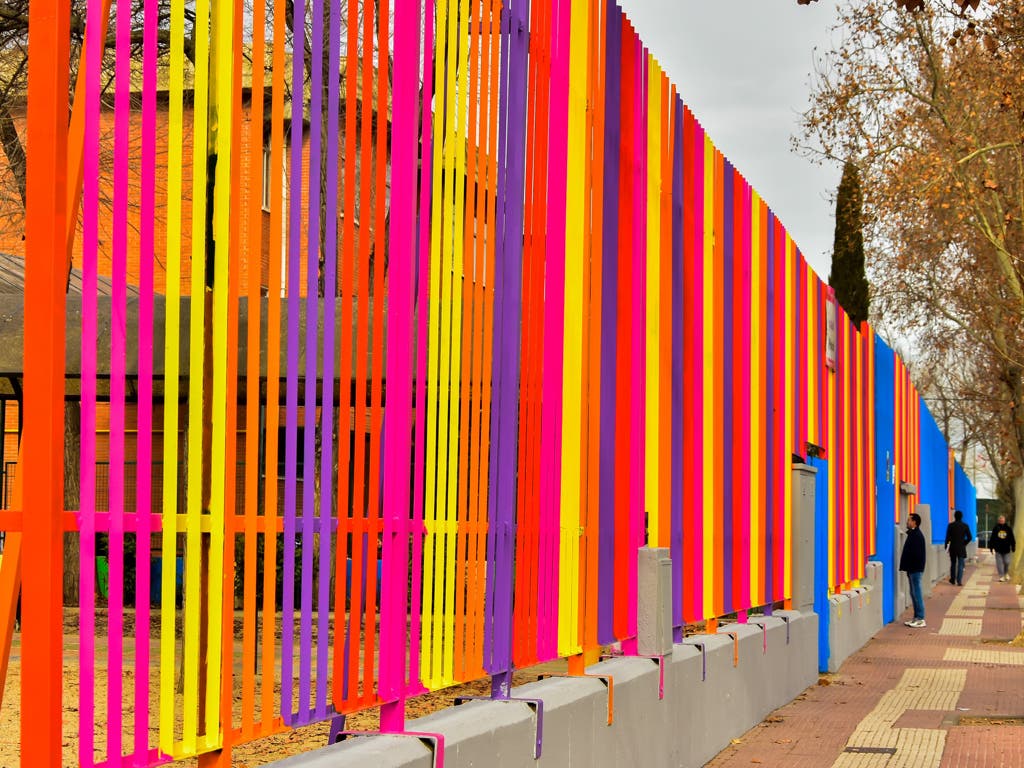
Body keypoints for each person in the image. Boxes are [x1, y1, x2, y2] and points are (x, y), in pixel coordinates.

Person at [899, 512, 927, 628]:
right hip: (912, 569)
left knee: (917, 593)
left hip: (915, 569)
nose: (907, 522)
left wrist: (911, 567)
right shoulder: (913, 534)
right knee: (913, 593)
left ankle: (920, 618)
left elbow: (916, 554)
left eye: (909, 520)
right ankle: (916, 617)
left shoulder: (917, 535)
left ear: (914, 522)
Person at [944, 510, 972, 586]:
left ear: (954, 516)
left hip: (952, 547)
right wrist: (964, 543)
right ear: (961, 517)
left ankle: (952, 579)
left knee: (953, 563)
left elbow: (947, 537)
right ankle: (959, 581)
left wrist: (946, 546)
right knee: (960, 564)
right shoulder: (965, 525)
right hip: (961, 548)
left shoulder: (950, 525)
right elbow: (970, 537)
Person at [989, 514, 1016, 582]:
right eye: (1000, 520)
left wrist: (1013, 546)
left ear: (1004, 521)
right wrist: (991, 547)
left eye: (1002, 520)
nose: (1001, 521)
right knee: (999, 563)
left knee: (1007, 562)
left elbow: (1012, 538)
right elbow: (992, 538)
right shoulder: (995, 528)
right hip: (998, 549)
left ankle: (1006, 573)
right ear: (998, 521)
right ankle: (1001, 576)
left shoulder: (1008, 528)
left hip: (1006, 549)